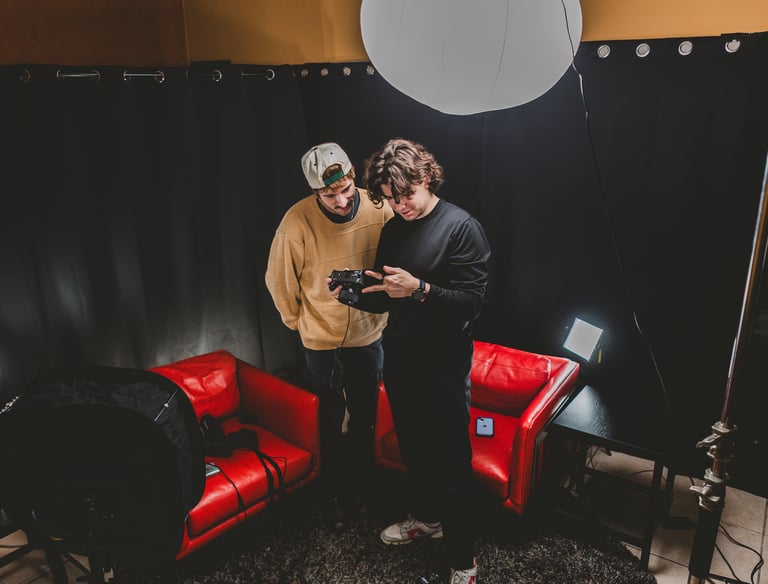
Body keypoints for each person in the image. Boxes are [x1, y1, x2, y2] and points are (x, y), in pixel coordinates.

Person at [345, 138, 490, 584]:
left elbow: (472, 303)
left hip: (444, 367)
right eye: (389, 198)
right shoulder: (393, 229)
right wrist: (354, 294)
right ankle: (427, 520)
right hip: (401, 359)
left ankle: (464, 562)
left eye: (405, 195)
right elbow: (391, 298)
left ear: (425, 178)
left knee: (451, 462)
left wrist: (422, 289)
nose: (398, 205)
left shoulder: (462, 228)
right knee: (414, 450)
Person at [265, 142, 393, 531]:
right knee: (330, 418)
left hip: (369, 334)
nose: (340, 201)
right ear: (315, 192)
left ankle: (362, 487)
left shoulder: (376, 206)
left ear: (353, 177)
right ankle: (334, 493)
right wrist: (299, 323)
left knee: (366, 416)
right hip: (321, 338)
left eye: (345, 190)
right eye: (329, 194)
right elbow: (279, 281)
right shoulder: (295, 222)